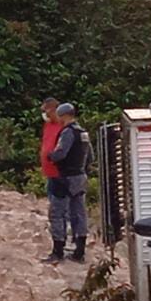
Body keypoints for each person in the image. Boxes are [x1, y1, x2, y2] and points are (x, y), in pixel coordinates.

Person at [45, 103, 92, 263]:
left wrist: (50, 156)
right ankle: (80, 250)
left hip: (65, 178)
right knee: (79, 212)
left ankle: (58, 250)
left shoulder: (67, 132)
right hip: (80, 176)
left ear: (63, 115)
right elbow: (90, 157)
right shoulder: (83, 132)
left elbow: (61, 153)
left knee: (57, 213)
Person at [38, 97, 65, 263]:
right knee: (54, 211)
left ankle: (59, 249)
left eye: (46, 110)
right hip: (50, 174)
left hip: (60, 174)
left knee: (58, 213)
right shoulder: (47, 126)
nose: (44, 114)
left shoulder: (64, 128)